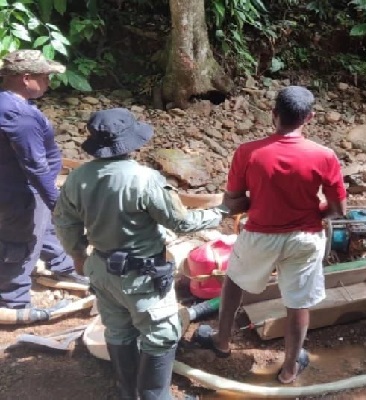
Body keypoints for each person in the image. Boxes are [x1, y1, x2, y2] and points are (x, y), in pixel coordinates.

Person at [53, 108, 229, 399]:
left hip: (102, 267)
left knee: (118, 329)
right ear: (132, 143)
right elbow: (180, 222)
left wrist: (78, 256)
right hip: (141, 275)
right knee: (162, 335)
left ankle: (127, 391)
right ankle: (154, 396)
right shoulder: (145, 179)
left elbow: (64, 222)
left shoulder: (78, 177)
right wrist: (221, 212)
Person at [193, 85, 347, 384]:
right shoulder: (324, 155)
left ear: (273, 115)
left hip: (259, 235)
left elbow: (232, 202)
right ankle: (290, 368)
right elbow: (339, 208)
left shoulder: (248, 152)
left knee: (235, 281)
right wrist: (315, 212)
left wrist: (258, 202)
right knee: (298, 301)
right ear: (310, 118)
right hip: (306, 237)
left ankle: (221, 341)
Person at [0, 49, 86, 313]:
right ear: (26, 78)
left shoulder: (9, 103)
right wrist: (57, 204)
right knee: (21, 244)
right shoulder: (19, 116)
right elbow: (35, 166)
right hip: (19, 194)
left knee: (45, 228)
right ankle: (14, 301)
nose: (49, 82)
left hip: (17, 188)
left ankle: (62, 266)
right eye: (45, 76)